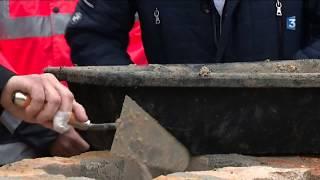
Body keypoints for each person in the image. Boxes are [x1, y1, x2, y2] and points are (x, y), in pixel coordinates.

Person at [66, 0, 320, 66]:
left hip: (288, 137)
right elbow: (93, 35)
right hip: (174, 139)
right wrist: (138, 102)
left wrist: (291, 86)